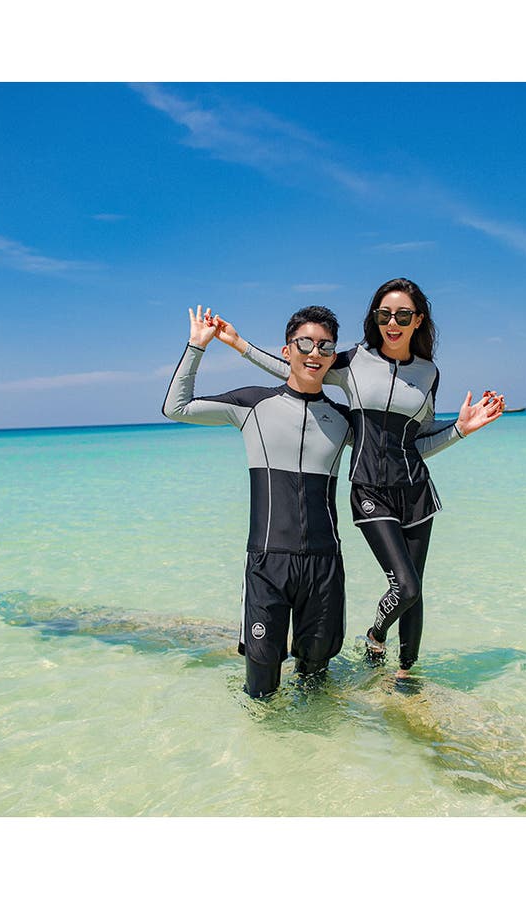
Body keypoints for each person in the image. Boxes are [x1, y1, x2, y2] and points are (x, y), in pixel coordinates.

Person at [210, 277, 504, 679]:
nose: (393, 323)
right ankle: (375, 636)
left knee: (414, 590)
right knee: (405, 586)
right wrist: (239, 345)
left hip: (416, 490)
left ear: (418, 320)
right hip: (369, 490)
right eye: (384, 314)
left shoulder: (429, 373)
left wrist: (460, 429)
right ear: (375, 318)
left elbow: (418, 439)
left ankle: (406, 674)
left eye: (403, 315)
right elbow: (298, 365)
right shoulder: (353, 361)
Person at [162, 304, 352, 698]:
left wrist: (460, 429)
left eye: (325, 346)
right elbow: (176, 408)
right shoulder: (252, 405)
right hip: (268, 565)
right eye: (305, 343)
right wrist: (197, 346)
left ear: (333, 356)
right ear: (287, 351)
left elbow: (396, 449)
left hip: (325, 566)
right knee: (261, 692)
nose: (315, 353)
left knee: (317, 690)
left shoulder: (344, 419)